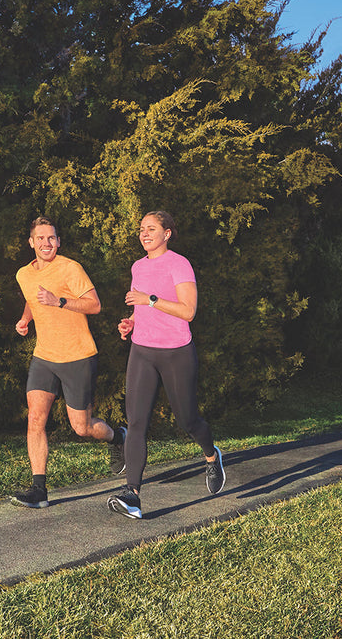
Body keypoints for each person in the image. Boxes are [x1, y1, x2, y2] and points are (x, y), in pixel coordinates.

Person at [107, 210, 225, 520]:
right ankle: (132, 494)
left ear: (167, 233)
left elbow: (188, 311)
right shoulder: (137, 266)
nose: (144, 233)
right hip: (142, 351)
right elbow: (141, 307)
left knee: (188, 420)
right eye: (141, 229)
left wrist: (150, 300)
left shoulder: (179, 264)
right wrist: (130, 322)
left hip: (176, 353)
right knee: (136, 423)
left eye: (151, 228)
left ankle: (212, 456)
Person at [12, 216, 127, 508]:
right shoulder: (23, 274)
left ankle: (118, 438)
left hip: (77, 356)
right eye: (40, 238)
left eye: (51, 238)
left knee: (82, 427)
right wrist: (26, 319)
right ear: (31, 242)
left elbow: (95, 305)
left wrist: (59, 301)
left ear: (58, 241)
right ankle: (39, 491)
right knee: (35, 420)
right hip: (44, 356)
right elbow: (32, 298)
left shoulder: (70, 268)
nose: (46, 243)